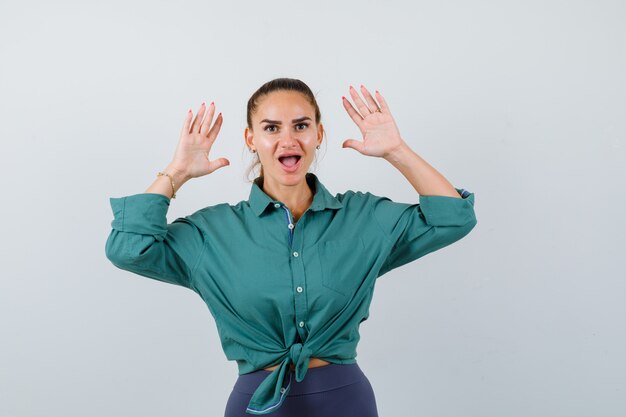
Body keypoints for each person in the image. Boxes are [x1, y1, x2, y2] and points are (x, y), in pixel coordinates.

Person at [105, 78, 478, 416]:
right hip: (256, 405)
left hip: (346, 403)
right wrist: (178, 171)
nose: (288, 140)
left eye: (301, 125)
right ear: (251, 139)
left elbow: (454, 218)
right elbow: (127, 247)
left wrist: (396, 150)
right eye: (271, 128)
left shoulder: (364, 217)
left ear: (318, 134)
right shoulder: (212, 232)